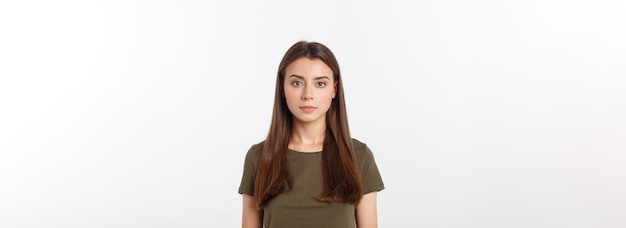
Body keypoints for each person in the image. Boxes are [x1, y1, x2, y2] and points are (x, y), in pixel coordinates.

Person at [238, 41, 385, 228]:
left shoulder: (359, 156)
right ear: (282, 88)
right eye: (297, 83)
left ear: (334, 89)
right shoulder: (259, 157)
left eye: (320, 83)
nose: (308, 94)